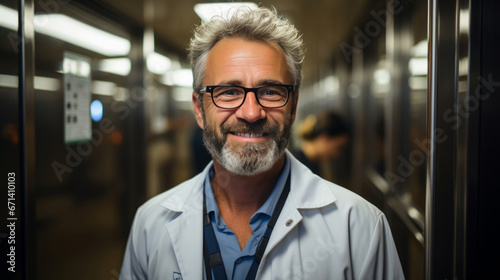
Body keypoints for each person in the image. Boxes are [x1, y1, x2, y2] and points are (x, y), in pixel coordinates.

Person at [120, 6, 404, 280]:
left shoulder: (360, 227)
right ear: (199, 109)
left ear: (293, 107)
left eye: (270, 91)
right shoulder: (151, 224)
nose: (252, 112)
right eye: (229, 92)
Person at [293, 111, 349, 175]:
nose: (337, 154)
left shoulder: (312, 164)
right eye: (338, 147)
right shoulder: (296, 167)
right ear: (324, 138)